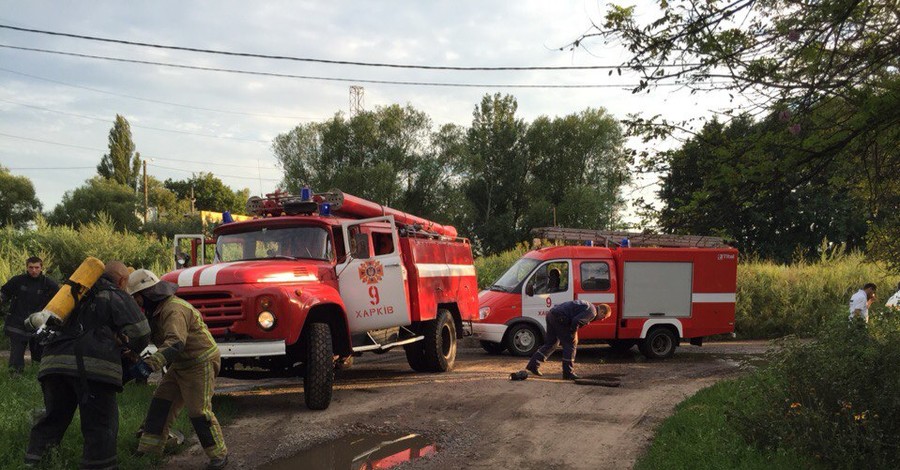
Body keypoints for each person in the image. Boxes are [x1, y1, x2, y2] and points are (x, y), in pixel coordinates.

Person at [25, 260, 151, 469]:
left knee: (52, 419)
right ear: (122, 280)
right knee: (100, 425)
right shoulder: (115, 294)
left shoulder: (69, 294)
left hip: (52, 366)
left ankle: (34, 463)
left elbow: (43, 321)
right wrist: (127, 350)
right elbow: (141, 332)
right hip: (93, 371)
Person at [127, 269, 228, 470]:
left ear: (147, 294)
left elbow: (175, 343)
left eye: (137, 299)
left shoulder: (173, 309)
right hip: (181, 364)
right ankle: (149, 451)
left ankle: (219, 455)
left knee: (198, 411)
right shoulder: (156, 311)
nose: (136, 304)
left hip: (200, 362)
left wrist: (149, 365)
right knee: (161, 404)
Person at [0, 256, 60, 374]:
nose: (34, 270)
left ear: (41, 268)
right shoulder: (17, 280)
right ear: (27, 267)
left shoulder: (48, 283)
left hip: (39, 324)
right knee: (16, 356)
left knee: (39, 355)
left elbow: (59, 300)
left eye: (36, 267)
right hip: (17, 323)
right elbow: (5, 293)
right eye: (31, 267)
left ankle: (38, 377)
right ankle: (15, 378)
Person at [525, 300, 610, 380]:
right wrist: (573, 334)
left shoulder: (589, 306)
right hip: (559, 318)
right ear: (602, 311)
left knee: (552, 343)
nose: (602, 319)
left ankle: (533, 365)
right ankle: (568, 373)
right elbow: (576, 321)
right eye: (604, 317)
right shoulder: (592, 312)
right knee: (571, 344)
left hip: (551, 314)